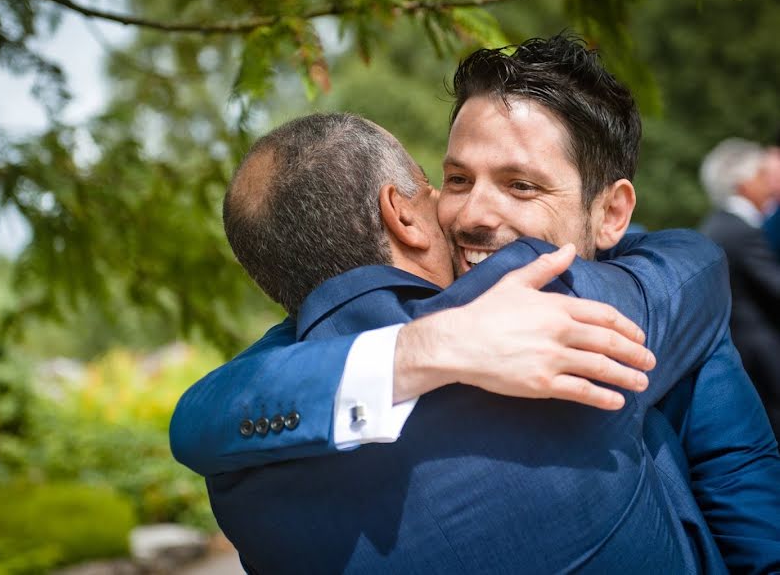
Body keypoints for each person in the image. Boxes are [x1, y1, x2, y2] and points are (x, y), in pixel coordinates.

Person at [172, 37, 780, 572]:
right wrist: (429, 348)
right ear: (405, 212)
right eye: (457, 180)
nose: (470, 214)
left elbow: (746, 497)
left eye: (521, 185)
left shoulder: (248, 459)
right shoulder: (589, 303)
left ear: (613, 211)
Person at [700, 138, 780, 439]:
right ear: (743, 183)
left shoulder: (718, 225)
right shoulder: (740, 231)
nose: (769, 186)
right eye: (762, 176)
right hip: (760, 350)